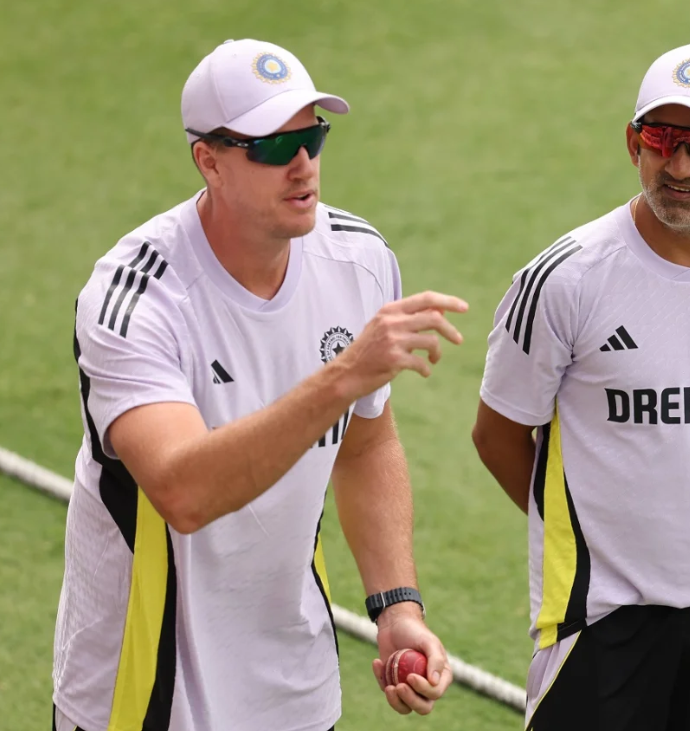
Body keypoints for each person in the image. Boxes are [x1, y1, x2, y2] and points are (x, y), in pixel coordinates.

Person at [53, 38, 463, 731]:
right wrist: (342, 377)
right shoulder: (136, 299)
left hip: (292, 691)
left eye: (313, 136)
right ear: (207, 161)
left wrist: (396, 605)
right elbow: (184, 491)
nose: (303, 163)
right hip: (140, 694)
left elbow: (365, 447)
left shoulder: (358, 262)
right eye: (274, 146)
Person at [472, 43, 690, 730]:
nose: (679, 166)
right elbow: (498, 433)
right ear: (632, 143)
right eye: (660, 140)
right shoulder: (563, 279)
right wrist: (586, 536)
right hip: (600, 617)